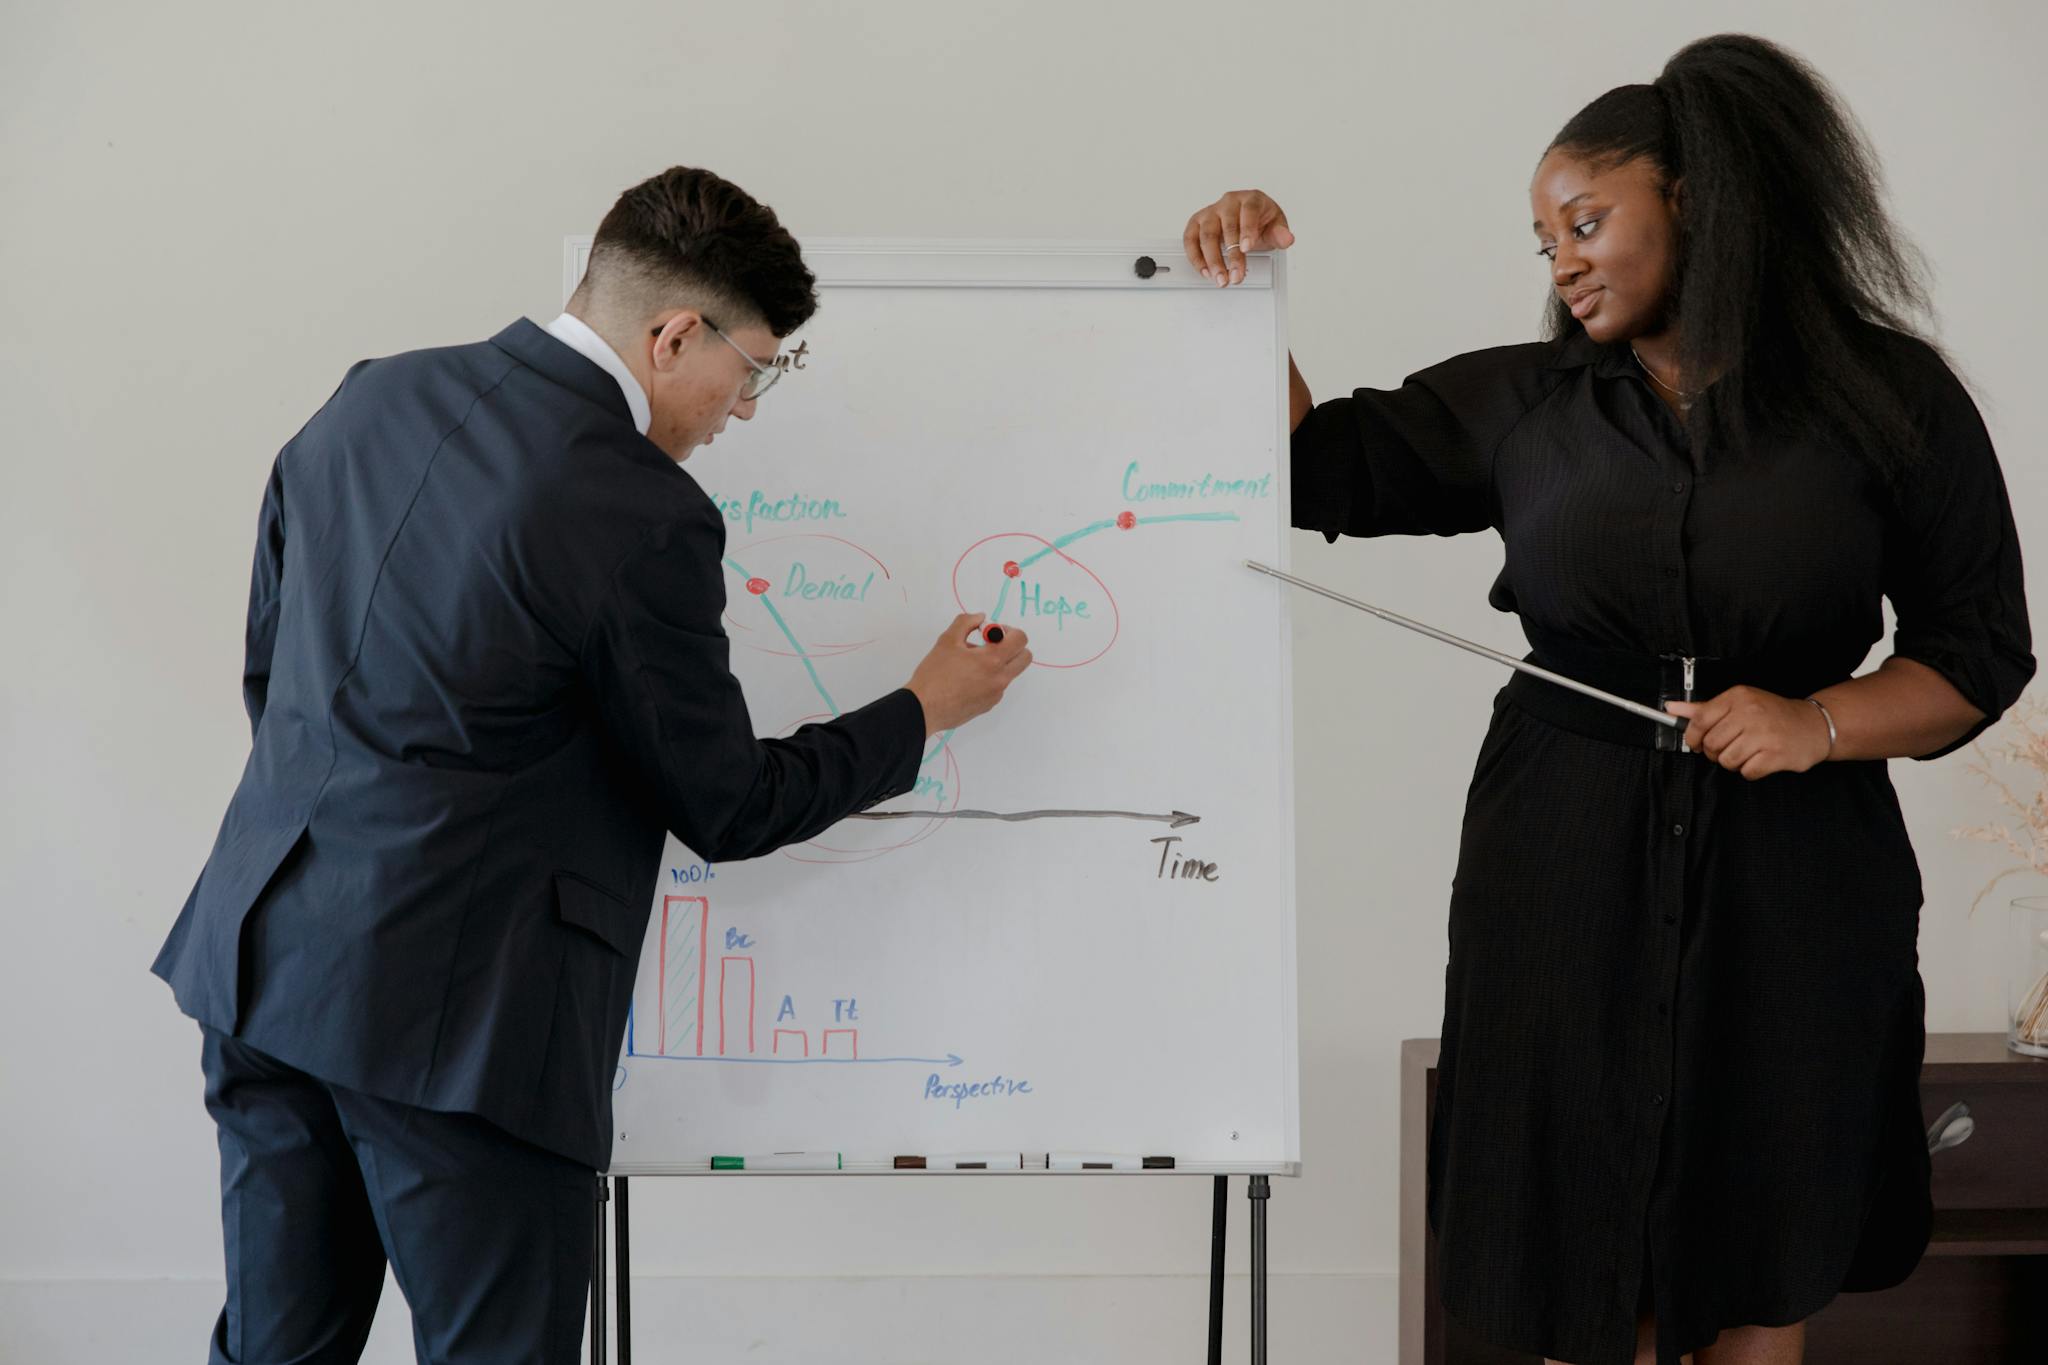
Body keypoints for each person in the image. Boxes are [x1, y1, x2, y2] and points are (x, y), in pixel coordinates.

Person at [1186, 33, 2031, 1365]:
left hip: (1799, 866)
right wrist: (1250, 296)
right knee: (1583, 1245)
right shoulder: (1525, 403)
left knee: (1760, 1253)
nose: (1564, 260)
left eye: (1586, 221)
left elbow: (1978, 652)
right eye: (1545, 241)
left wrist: (1816, 724)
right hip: (1563, 851)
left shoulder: (1891, 395)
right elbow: (1301, 469)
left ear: (1695, 201)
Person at [152, 165, 1032, 1365]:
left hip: (263, 963)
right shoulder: (637, 506)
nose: (747, 407)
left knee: (269, 1353)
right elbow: (727, 803)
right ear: (675, 334)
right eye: (755, 366)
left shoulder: (372, 397)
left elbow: (275, 668)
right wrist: (923, 709)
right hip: (459, 1032)